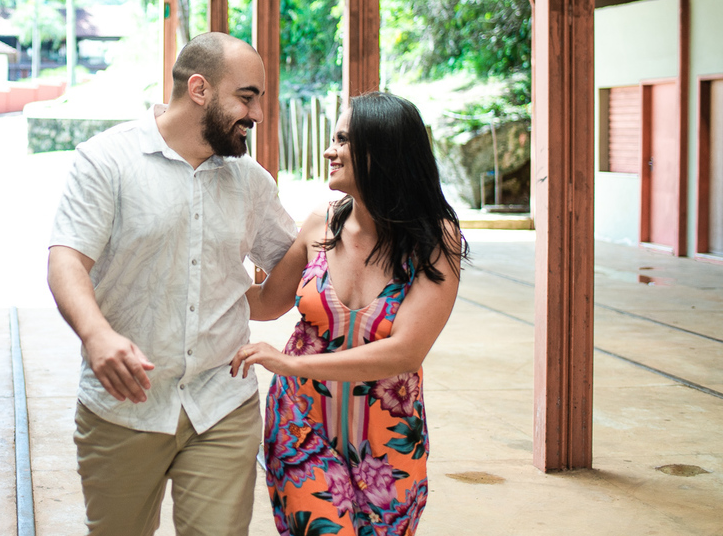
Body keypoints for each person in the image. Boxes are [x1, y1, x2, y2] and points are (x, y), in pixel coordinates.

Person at [47, 32, 298, 536]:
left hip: (222, 405)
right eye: (246, 97)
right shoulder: (107, 160)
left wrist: (326, 233)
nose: (257, 114)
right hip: (124, 406)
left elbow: (288, 270)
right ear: (200, 89)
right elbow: (67, 258)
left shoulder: (251, 181)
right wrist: (97, 336)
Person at [231, 92, 465, 536]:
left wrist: (291, 363)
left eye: (342, 140)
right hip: (300, 425)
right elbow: (264, 303)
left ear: (382, 148)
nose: (329, 151)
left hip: (390, 439)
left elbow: (405, 352)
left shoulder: (436, 239)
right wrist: (201, 257)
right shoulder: (320, 224)